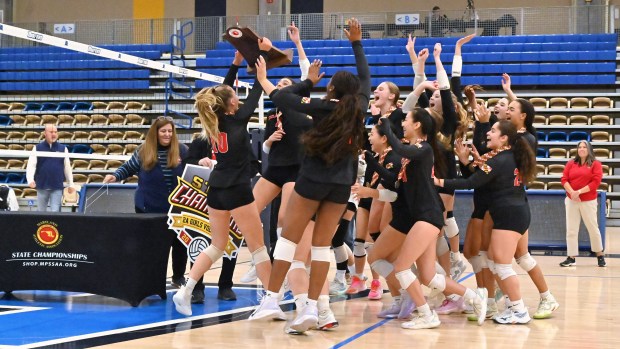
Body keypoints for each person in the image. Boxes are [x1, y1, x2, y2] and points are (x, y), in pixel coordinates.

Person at [249, 18, 369, 333]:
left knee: (287, 239)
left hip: (313, 180)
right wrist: (356, 43)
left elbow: (282, 98)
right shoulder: (360, 106)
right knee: (320, 248)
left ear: (331, 89)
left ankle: (272, 298)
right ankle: (313, 309)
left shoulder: (321, 106)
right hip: (341, 185)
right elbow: (365, 76)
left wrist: (285, 81)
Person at [172, 37, 274, 317]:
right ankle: (271, 301)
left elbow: (221, 93)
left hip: (216, 188)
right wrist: (261, 71)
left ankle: (185, 291)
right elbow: (256, 93)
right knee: (258, 248)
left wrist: (235, 64)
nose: (238, 99)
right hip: (238, 189)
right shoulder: (237, 118)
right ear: (231, 105)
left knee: (217, 245)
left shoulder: (216, 118)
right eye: (235, 98)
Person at [437, 120, 537, 324]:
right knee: (495, 262)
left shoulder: (499, 160)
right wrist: (468, 163)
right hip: (511, 213)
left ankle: (519, 310)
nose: (488, 134)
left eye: (493, 130)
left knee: (502, 265)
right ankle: (511, 306)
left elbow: (470, 183)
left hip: (509, 215)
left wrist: (439, 182)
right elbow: (480, 180)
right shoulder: (505, 157)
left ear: (504, 138)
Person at [103, 116, 189, 288]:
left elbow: (193, 170)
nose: (167, 135)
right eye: (163, 131)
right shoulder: (143, 150)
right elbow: (128, 168)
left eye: (170, 131)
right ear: (155, 133)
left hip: (177, 209)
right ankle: (152, 278)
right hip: (148, 207)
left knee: (180, 245)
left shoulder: (183, 150)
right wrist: (115, 175)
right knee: (153, 248)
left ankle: (178, 277)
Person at [183, 136, 238, 303]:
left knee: (231, 240)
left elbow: (251, 164)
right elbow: (187, 162)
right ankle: (196, 288)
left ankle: (226, 286)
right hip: (201, 195)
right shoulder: (200, 140)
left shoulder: (236, 136)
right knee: (198, 239)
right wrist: (199, 160)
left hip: (231, 192)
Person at [560, 140, 606, 267]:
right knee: (571, 229)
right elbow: (564, 179)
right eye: (579, 147)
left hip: (588, 201)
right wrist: (573, 193)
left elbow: (595, 182)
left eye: (584, 147)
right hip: (571, 201)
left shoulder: (596, 164)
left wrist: (579, 192)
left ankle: (600, 255)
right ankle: (571, 257)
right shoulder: (571, 163)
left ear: (589, 149)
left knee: (593, 228)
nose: (581, 149)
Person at [26, 124, 75, 212]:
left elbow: (67, 167)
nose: (54, 134)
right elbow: (31, 165)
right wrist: (30, 179)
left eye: (55, 132)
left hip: (57, 186)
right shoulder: (37, 148)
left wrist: (70, 184)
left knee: (55, 213)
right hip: (42, 186)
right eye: (51, 132)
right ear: (45, 133)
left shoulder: (63, 148)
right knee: (41, 212)